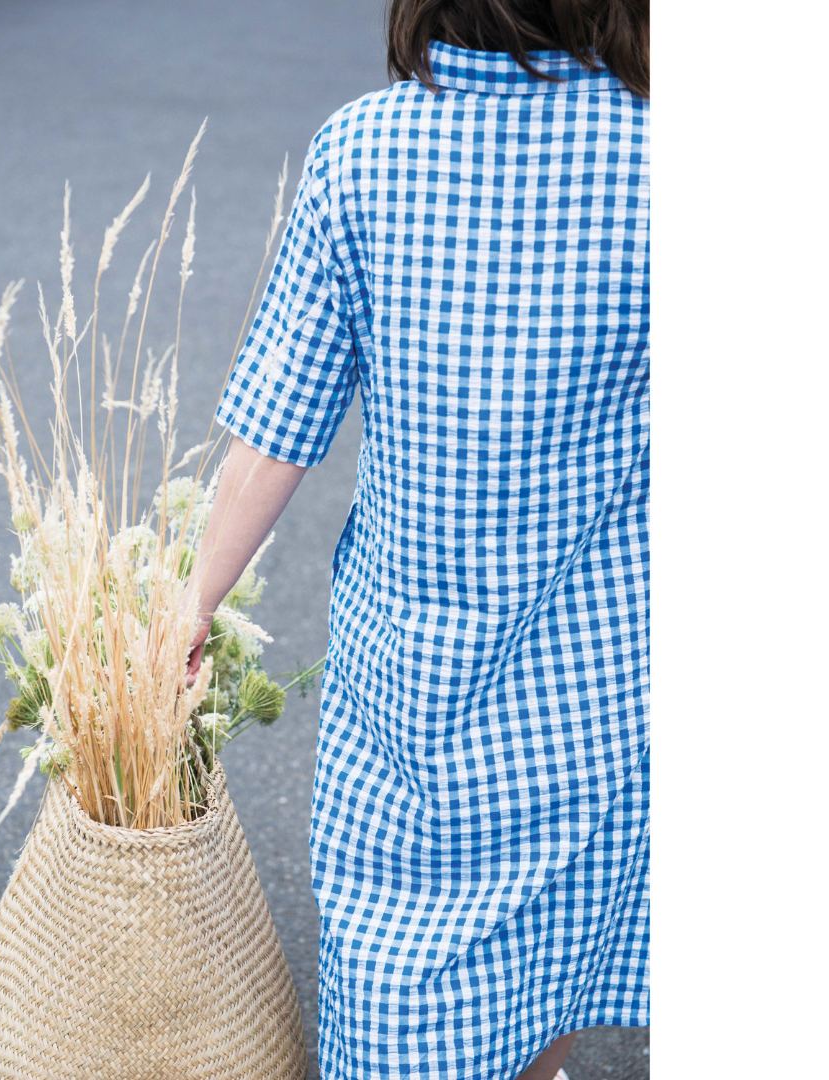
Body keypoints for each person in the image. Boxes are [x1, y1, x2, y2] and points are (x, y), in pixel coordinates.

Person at [185, 1, 649, 1076]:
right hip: (600, 693)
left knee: (404, 984)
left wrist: (190, 600)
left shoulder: (363, 150)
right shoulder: (660, 159)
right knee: (547, 974)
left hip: (411, 696)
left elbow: (277, 424)